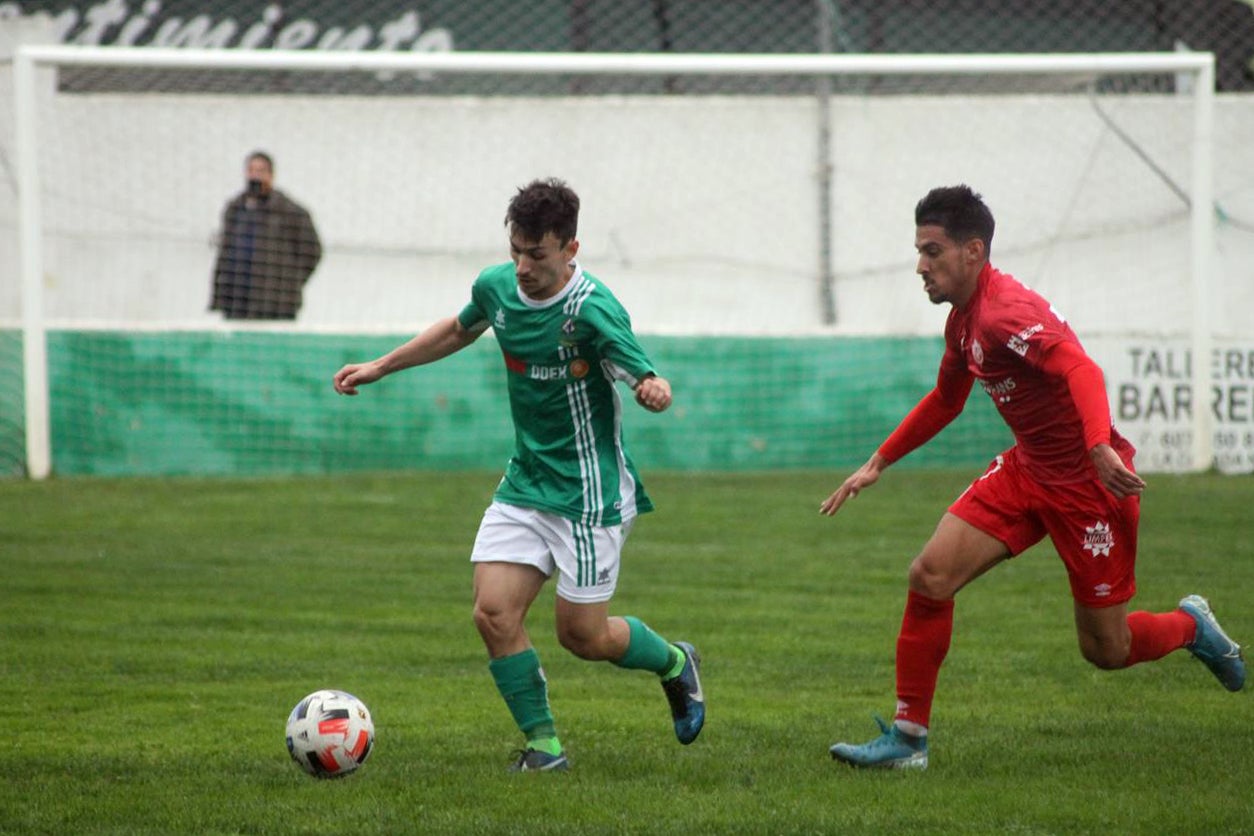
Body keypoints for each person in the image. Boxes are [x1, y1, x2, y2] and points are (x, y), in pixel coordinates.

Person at [822, 184, 1245, 771]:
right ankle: (908, 739)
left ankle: (1189, 626)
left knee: (1107, 649)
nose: (921, 265)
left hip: (1088, 487)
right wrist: (878, 462)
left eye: (932, 251)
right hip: (1027, 471)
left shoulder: (1004, 314)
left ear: (973, 251)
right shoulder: (964, 322)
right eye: (919, 251)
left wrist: (1097, 445)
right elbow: (945, 400)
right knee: (930, 576)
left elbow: (1081, 368)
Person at [332, 177, 704, 772]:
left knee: (582, 638)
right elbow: (460, 328)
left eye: (538, 254)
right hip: (526, 482)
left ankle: (675, 663)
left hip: (588, 495)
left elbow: (642, 372)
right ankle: (545, 747)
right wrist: (382, 365)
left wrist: (653, 388)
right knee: (493, 613)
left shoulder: (592, 309)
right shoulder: (497, 286)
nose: (524, 268)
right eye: (516, 252)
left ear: (570, 249)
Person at [210, 151, 321, 320]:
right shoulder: (235, 209)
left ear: (271, 175)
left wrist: (289, 283)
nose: (255, 176)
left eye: (260, 171)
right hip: (237, 300)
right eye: (251, 170)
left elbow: (312, 252)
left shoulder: (290, 212)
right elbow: (225, 253)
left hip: (275, 304)